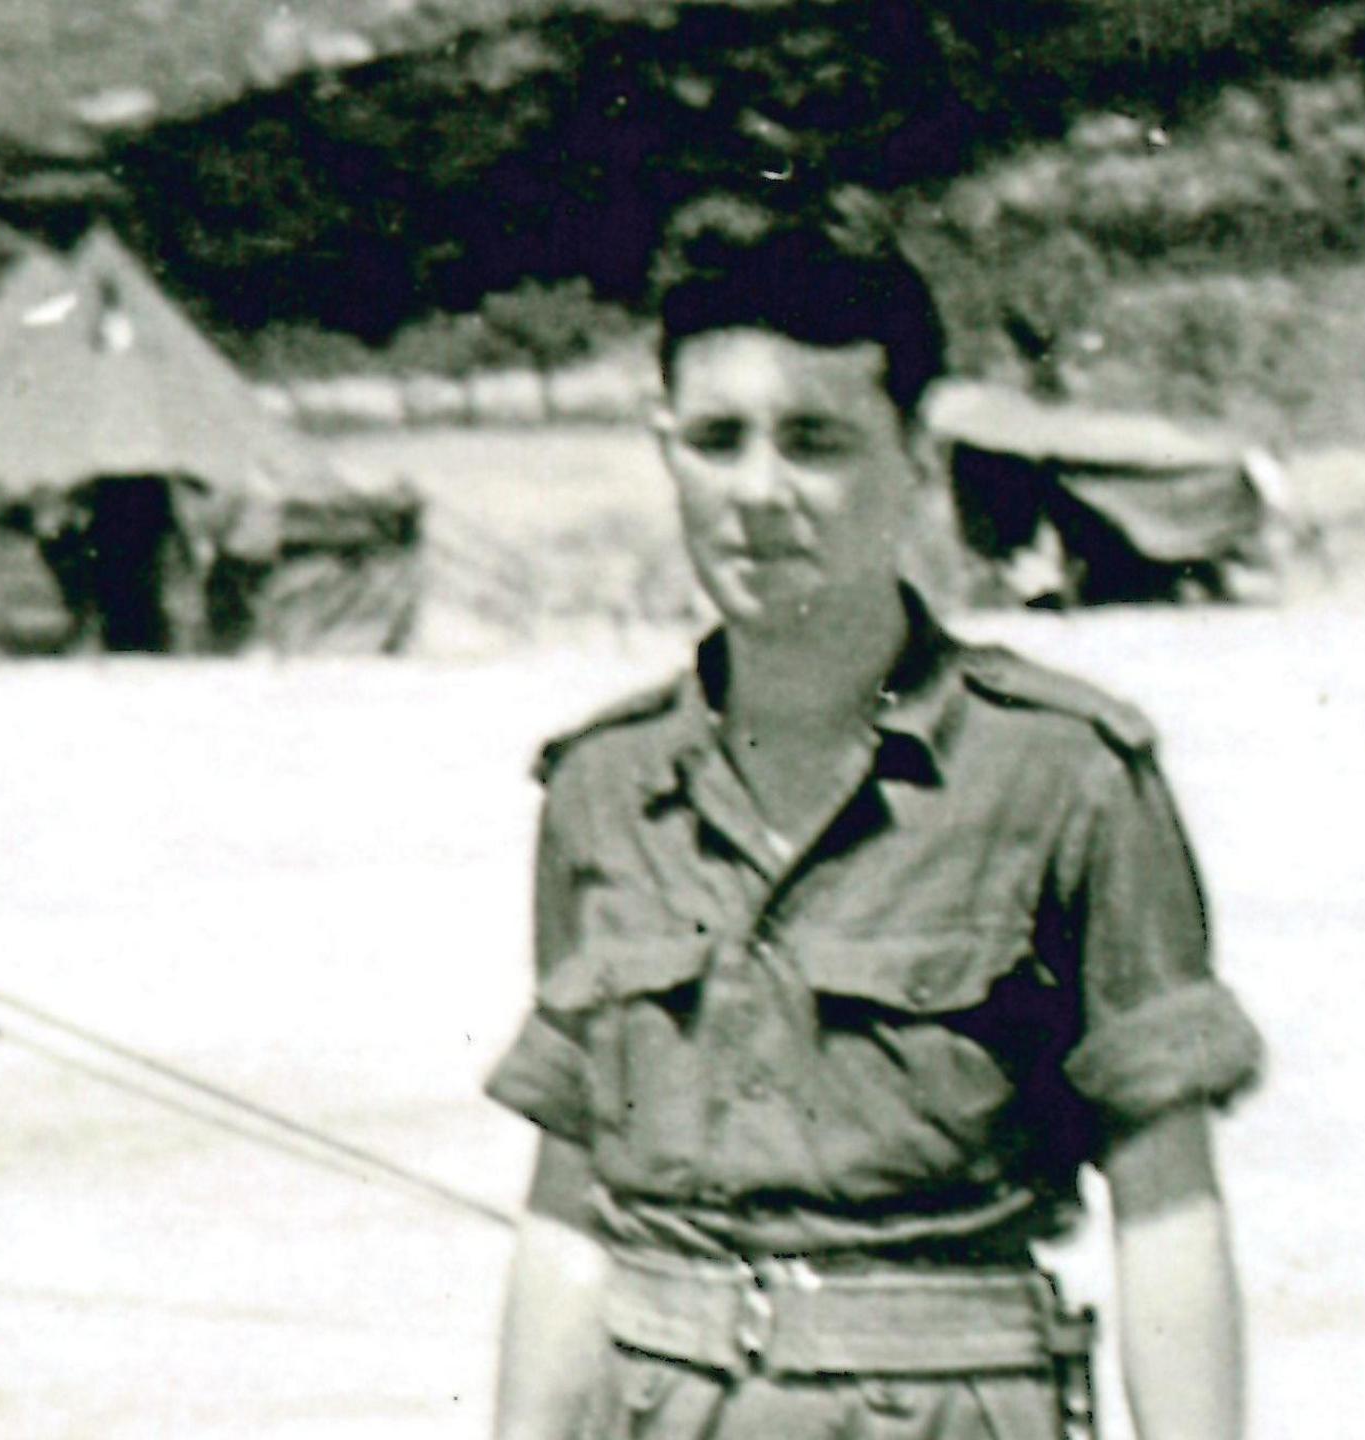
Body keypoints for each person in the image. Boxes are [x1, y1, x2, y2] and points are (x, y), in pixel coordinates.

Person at [484, 192, 1264, 1440]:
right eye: (716, 438)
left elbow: (1165, 1205)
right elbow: (570, 1215)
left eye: (815, 439)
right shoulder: (600, 789)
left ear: (911, 453)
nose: (759, 491)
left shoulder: (1064, 776)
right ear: (664, 447)